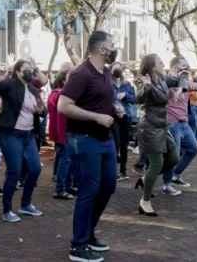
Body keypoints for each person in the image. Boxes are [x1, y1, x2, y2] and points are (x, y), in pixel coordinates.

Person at [58, 31, 120, 262]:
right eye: (112, 45)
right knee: (89, 190)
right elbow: (63, 106)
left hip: (105, 139)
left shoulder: (105, 72)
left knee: (108, 186)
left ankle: (88, 233)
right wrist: (95, 117)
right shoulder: (81, 73)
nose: (115, 49)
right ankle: (78, 245)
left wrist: (114, 108)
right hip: (84, 139)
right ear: (102, 49)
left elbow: (99, 100)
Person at [0, 58, 46, 223]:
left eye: (30, 69)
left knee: (34, 169)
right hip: (10, 134)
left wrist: (41, 111)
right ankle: (7, 210)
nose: (29, 71)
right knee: (15, 171)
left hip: (28, 135)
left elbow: (42, 110)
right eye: (25, 69)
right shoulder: (10, 84)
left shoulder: (32, 90)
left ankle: (25, 204)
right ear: (18, 72)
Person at [132, 53, 186, 215]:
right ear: (151, 65)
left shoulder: (163, 79)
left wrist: (180, 83)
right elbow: (139, 98)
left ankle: (145, 179)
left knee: (174, 158)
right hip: (150, 128)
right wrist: (147, 86)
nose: (163, 65)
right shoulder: (143, 80)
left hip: (162, 127)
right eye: (160, 62)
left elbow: (181, 80)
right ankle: (145, 201)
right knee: (156, 164)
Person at [161, 56, 197, 194]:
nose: (186, 69)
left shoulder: (185, 82)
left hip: (184, 123)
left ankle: (175, 175)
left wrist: (191, 84)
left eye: (187, 67)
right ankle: (166, 185)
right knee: (174, 155)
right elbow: (166, 88)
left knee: (193, 149)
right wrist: (179, 81)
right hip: (172, 123)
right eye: (183, 66)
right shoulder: (166, 82)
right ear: (174, 69)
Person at [49, 70, 75, 199]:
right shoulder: (56, 93)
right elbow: (58, 101)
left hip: (71, 131)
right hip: (63, 132)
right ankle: (59, 189)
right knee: (65, 160)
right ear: (64, 81)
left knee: (70, 160)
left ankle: (68, 186)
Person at [109, 62, 136, 181]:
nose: (117, 71)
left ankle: (123, 171)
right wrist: (116, 96)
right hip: (114, 115)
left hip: (126, 115)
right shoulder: (108, 84)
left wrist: (125, 95)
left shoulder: (127, 84)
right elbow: (107, 97)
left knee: (124, 144)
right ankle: (113, 171)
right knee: (116, 143)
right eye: (115, 69)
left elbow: (134, 99)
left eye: (119, 69)